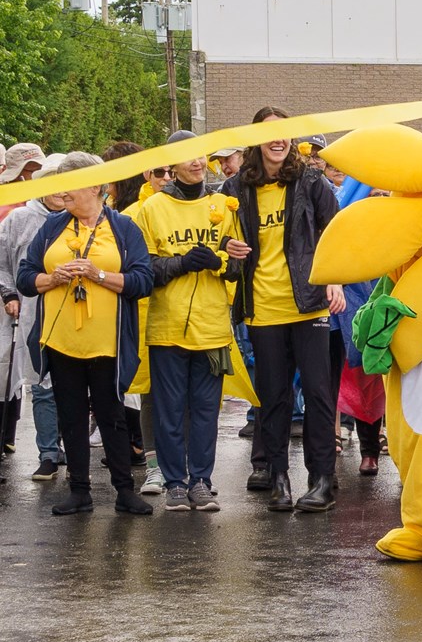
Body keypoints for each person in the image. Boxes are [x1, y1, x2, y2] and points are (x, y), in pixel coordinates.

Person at [222, 106, 345, 513]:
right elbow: (218, 239)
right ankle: (278, 479)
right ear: (254, 138)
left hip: (309, 306)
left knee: (318, 395)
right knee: (272, 398)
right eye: (270, 133)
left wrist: (334, 278)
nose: (279, 140)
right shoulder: (235, 188)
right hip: (262, 309)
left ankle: (322, 481)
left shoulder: (310, 180)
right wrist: (228, 249)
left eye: (286, 132)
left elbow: (337, 231)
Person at [18, 152, 155, 516]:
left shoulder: (123, 228)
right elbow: (25, 276)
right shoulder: (52, 227)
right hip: (61, 340)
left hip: (107, 341)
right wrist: (52, 278)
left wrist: (98, 275)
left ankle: (125, 491)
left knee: (111, 415)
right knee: (71, 415)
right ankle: (79, 491)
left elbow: (143, 281)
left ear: (96, 185)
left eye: (71, 183)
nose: (63, 192)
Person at [134, 152, 247, 511]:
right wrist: (181, 263)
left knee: (204, 410)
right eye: (186, 158)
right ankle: (174, 483)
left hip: (211, 327)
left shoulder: (224, 204)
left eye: (200, 156)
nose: (196, 163)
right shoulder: (152, 207)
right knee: (168, 410)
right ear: (172, 166)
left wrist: (222, 262)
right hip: (167, 326)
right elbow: (144, 267)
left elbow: (240, 261)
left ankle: (201, 480)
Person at [0, 162, 65, 480]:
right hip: (30, 312)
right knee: (41, 383)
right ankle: (48, 453)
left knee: (74, 385)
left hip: (74, 313)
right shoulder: (19, 219)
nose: (60, 190)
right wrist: (9, 293)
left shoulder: (82, 220)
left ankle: (67, 446)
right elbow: (1, 261)